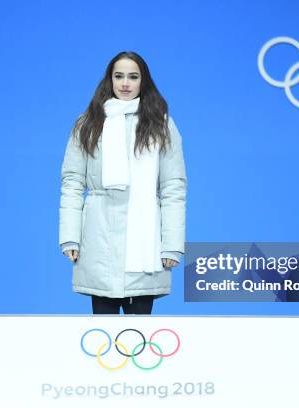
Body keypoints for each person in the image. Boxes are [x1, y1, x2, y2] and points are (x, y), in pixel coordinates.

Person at [58, 51, 187, 314]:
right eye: (119, 76)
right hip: (98, 235)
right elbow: (72, 183)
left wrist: (172, 245)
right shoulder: (88, 124)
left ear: (143, 81)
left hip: (145, 241)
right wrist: (70, 238)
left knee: (139, 338)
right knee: (102, 337)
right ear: (110, 80)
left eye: (133, 76)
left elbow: (173, 187)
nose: (125, 83)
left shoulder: (161, 125)